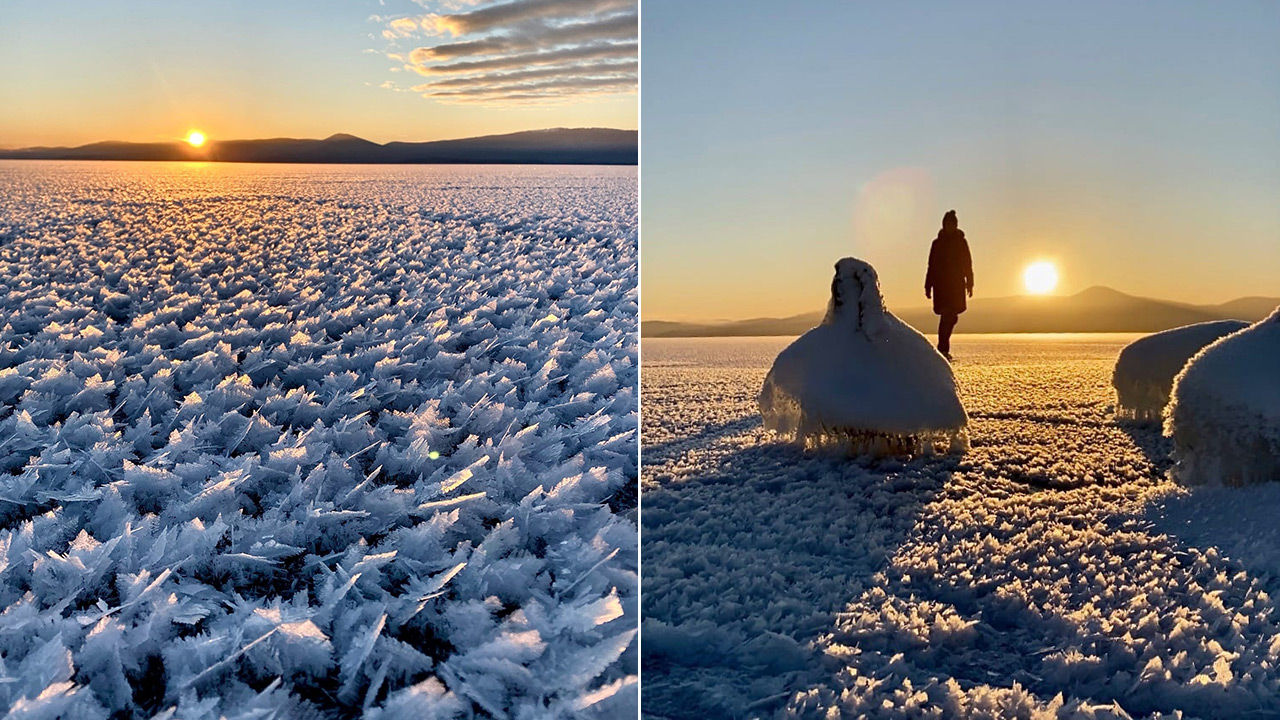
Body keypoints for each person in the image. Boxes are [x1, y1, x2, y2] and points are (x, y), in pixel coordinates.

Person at [924, 209, 974, 360]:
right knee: (947, 315)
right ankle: (942, 349)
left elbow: (967, 264)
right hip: (941, 286)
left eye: (952, 224)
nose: (950, 227)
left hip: (956, 285)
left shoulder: (961, 242)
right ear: (944, 225)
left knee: (952, 317)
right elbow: (931, 265)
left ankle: (943, 348)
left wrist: (970, 283)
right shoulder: (937, 243)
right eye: (947, 224)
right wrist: (928, 285)